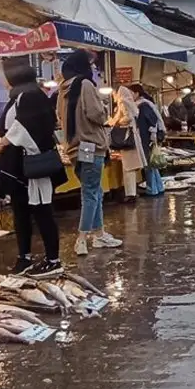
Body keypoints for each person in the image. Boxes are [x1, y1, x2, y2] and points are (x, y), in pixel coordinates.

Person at [0, 58, 64, 277]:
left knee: (42, 211)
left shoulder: (31, 95)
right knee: (20, 211)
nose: (0, 77)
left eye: (2, 72)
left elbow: (27, 126)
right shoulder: (19, 95)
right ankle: (24, 257)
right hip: (18, 165)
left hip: (33, 163)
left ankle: (53, 260)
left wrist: (3, 142)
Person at [59, 50, 122, 256]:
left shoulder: (63, 89)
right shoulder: (86, 85)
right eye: (91, 65)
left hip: (76, 148)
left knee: (95, 192)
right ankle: (82, 238)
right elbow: (96, 114)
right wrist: (104, 106)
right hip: (91, 145)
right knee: (90, 193)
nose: (94, 69)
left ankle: (99, 233)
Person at [109, 86, 146, 203]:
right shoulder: (130, 102)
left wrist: (116, 121)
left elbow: (128, 117)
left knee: (128, 167)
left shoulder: (123, 102)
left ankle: (130, 194)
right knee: (131, 167)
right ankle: (132, 192)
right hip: (133, 137)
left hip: (126, 138)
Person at [130, 84, 166, 196]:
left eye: (131, 93)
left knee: (148, 164)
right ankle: (158, 187)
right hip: (147, 137)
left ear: (137, 93)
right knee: (151, 164)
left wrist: (153, 136)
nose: (130, 96)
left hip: (146, 138)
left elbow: (152, 121)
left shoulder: (143, 105)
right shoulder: (144, 104)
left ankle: (151, 190)